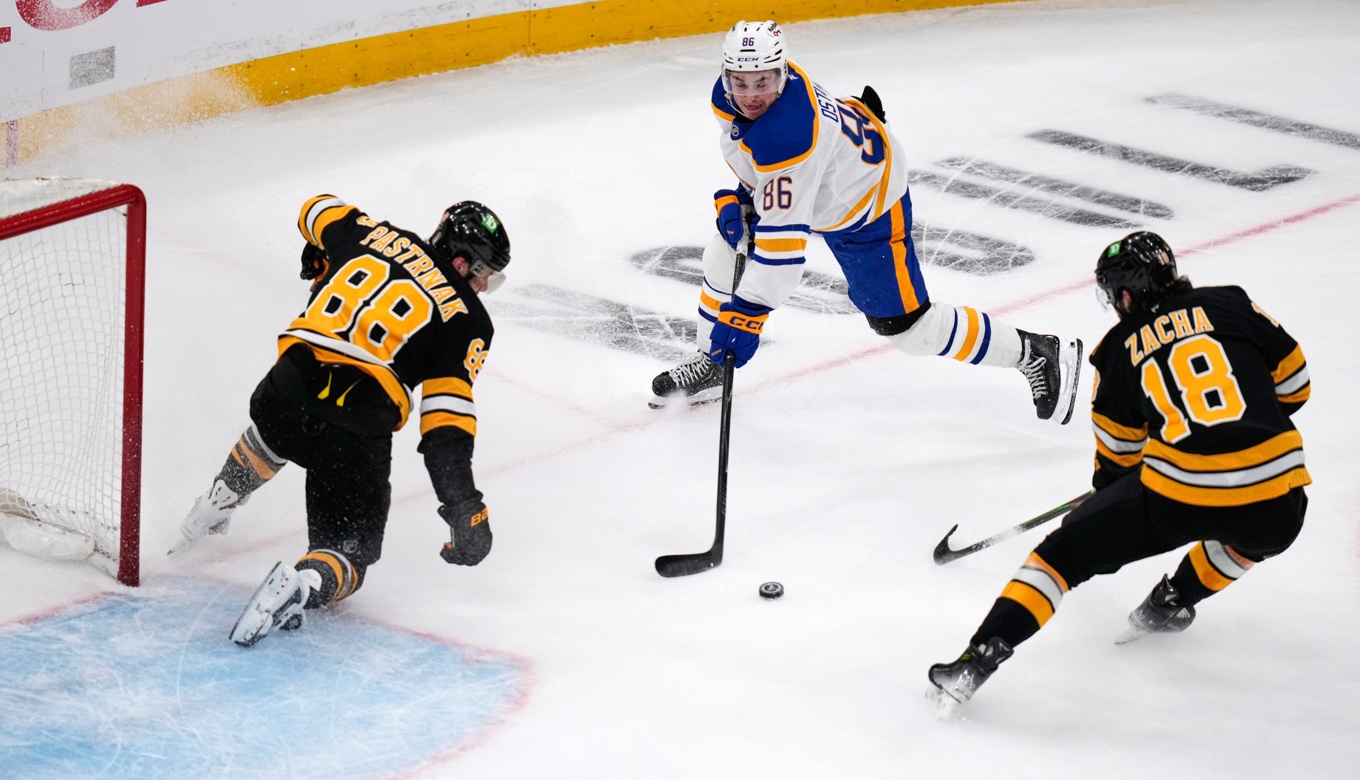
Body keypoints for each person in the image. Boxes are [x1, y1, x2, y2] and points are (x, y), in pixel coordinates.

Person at [927, 231, 1311, 710]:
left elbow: (1119, 463)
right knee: (1250, 534)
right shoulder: (1231, 303)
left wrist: (1127, 476)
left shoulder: (1118, 349)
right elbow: (1296, 387)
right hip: (1281, 498)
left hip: (1180, 498)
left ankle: (976, 660)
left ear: (1127, 294)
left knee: (1059, 558)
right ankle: (1170, 603)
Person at [649, 20, 1083, 424]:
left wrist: (746, 316)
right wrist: (748, 194)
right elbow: (764, 156)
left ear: (781, 74)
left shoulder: (790, 137)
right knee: (724, 252)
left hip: (867, 203)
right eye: (740, 82)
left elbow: (782, 259)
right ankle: (713, 367)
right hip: (832, 168)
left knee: (911, 330)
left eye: (762, 82)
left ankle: (1035, 352)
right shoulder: (743, 98)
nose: (750, 95)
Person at [170, 195, 510, 647]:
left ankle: (212, 506)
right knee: (347, 556)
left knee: (275, 433)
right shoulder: (468, 319)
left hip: (285, 386)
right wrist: (464, 507)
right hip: (355, 429)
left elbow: (315, 208)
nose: (484, 287)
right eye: (486, 274)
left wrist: (319, 250)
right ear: (463, 262)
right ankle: (301, 585)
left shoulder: (372, 232)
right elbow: (445, 429)